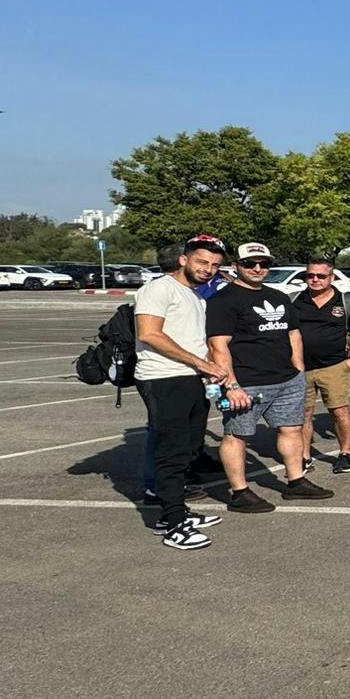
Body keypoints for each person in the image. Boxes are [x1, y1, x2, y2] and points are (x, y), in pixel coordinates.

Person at [206, 242, 332, 511]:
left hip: (287, 380)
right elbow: (218, 345)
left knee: (291, 429)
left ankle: (296, 481)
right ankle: (240, 492)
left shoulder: (279, 297)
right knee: (237, 435)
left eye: (264, 264)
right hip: (247, 384)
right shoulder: (223, 300)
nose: (258, 268)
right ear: (236, 266)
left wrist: (298, 368)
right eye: (250, 264)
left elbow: (293, 334)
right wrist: (231, 385)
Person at [133, 235, 231, 549]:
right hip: (164, 379)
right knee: (171, 454)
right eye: (203, 262)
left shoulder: (196, 296)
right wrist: (198, 363)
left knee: (189, 450)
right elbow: (149, 334)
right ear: (184, 259)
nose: (208, 269)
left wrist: (208, 369)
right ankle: (174, 526)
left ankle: (175, 512)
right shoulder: (158, 289)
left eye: (215, 265)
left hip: (192, 380)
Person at [288, 257, 350, 474]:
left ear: (331, 277)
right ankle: (304, 457)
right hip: (300, 369)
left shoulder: (345, 301)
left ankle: (345, 453)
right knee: (303, 414)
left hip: (334, 366)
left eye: (321, 276)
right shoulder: (294, 300)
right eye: (310, 275)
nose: (314, 279)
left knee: (339, 412)